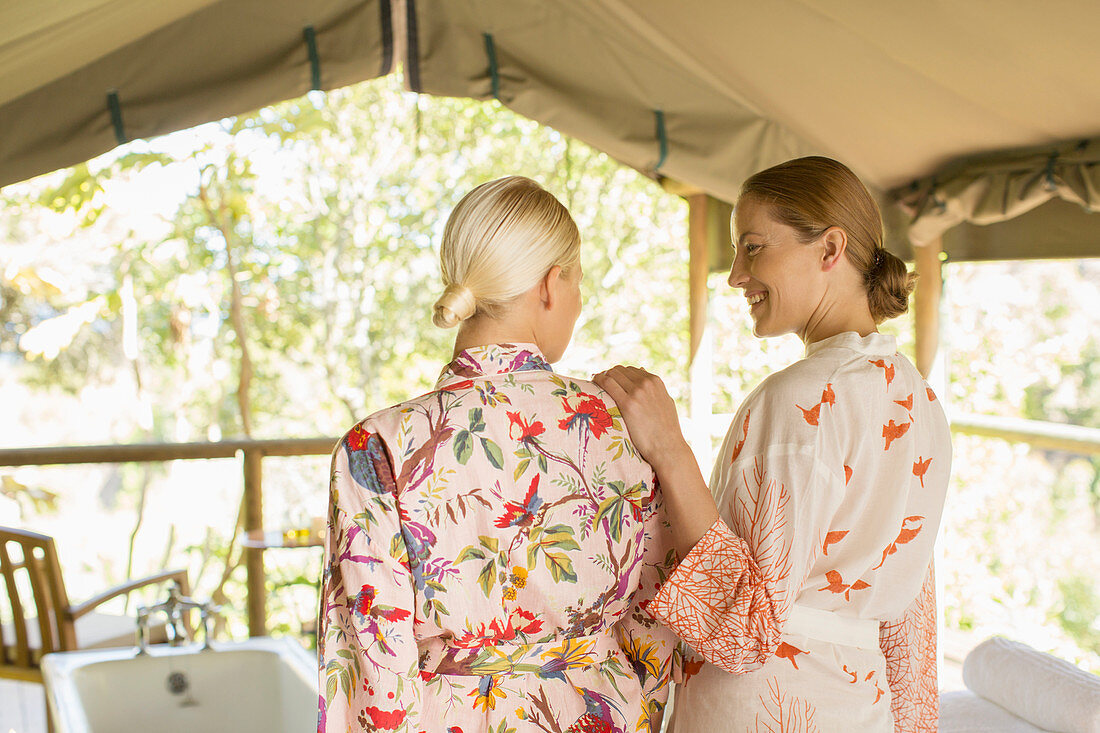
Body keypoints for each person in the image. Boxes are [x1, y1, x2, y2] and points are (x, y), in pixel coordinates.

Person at [594, 156, 951, 733]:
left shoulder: (798, 399)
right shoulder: (919, 400)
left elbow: (743, 632)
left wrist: (669, 449)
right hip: (863, 710)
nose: (735, 274)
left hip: (762, 708)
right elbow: (910, 616)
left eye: (753, 247)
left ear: (830, 249)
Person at [318, 176, 681, 732]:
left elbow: (372, 659)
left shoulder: (379, 446)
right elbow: (655, 619)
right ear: (551, 285)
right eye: (579, 284)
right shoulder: (620, 423)